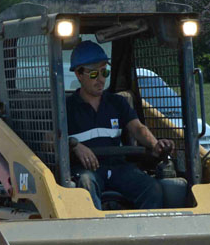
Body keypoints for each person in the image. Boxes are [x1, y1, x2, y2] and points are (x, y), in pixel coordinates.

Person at [66, 40, 175, 210]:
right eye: (94, 74)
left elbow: (137, 128)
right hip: (86, 170)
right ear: (79, 74)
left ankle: (146, 226)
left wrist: (155, 144)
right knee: (86, 184)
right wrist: (74, 145)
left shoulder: (117, 103)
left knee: (151, 188)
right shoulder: (67, 107)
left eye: (104, 72)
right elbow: (49, 138)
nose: (101, 79)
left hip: (118, 168)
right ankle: (95, 226)